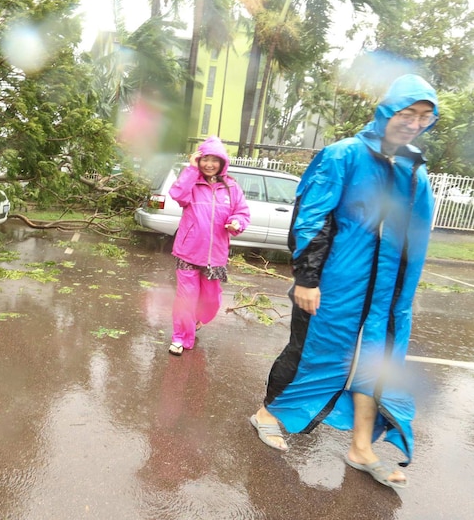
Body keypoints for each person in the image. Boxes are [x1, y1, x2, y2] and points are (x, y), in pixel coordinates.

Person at [249, 74, 439, 490]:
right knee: (309, 355)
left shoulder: (412, 172)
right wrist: (307, 278)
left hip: (384, 297)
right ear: (387, 110)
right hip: (332, 286)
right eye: (408, 112)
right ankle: (267, 414)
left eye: (424, 116)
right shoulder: (344, 156)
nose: (414, 122)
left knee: (377, 366)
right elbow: (311, 218)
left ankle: (361, 449)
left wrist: (401, 297)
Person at [167, 135, 250, 355]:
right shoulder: (191, 183)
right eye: (205, 159)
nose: (209, 164)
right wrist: (192, 169)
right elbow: (177, 194)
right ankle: (179, 338)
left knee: (211, 300)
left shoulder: (231, 187)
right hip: (187, 252)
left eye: (215, 160)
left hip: (216, 256)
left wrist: (237, 223)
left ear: (222, 162)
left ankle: (197, 319)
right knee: (186, 297)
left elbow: (242, 213)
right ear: (199, 160)